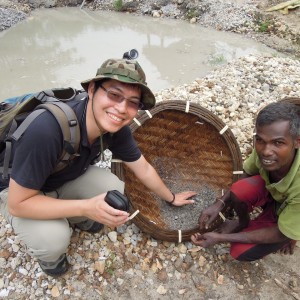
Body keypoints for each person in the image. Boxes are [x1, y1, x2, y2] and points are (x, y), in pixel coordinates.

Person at [0, 57, 196, 277]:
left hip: (60, 176)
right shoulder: (46, 130)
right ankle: (51, 258)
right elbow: (18, 204)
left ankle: (77, 217)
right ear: (92, 89)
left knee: (112, 186)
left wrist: (171, 198)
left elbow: (143, 168)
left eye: (133, 102)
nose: (121, 108)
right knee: (54, 239)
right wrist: (86, 207)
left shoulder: (115, 127)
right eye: (114, 95)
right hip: (19, 191)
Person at [191, 101, 300, 261]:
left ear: (297, 141)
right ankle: (243, 222)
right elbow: (247, 173)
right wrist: (219, 204)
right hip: (276, 196)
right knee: (239, 189)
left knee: (241, 251)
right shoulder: (264, 149)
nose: (266, 151)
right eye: (260, 140)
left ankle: (293, 230)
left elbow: (279, 233)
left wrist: (222, 238)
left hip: (291, 207)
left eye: (278, 143)